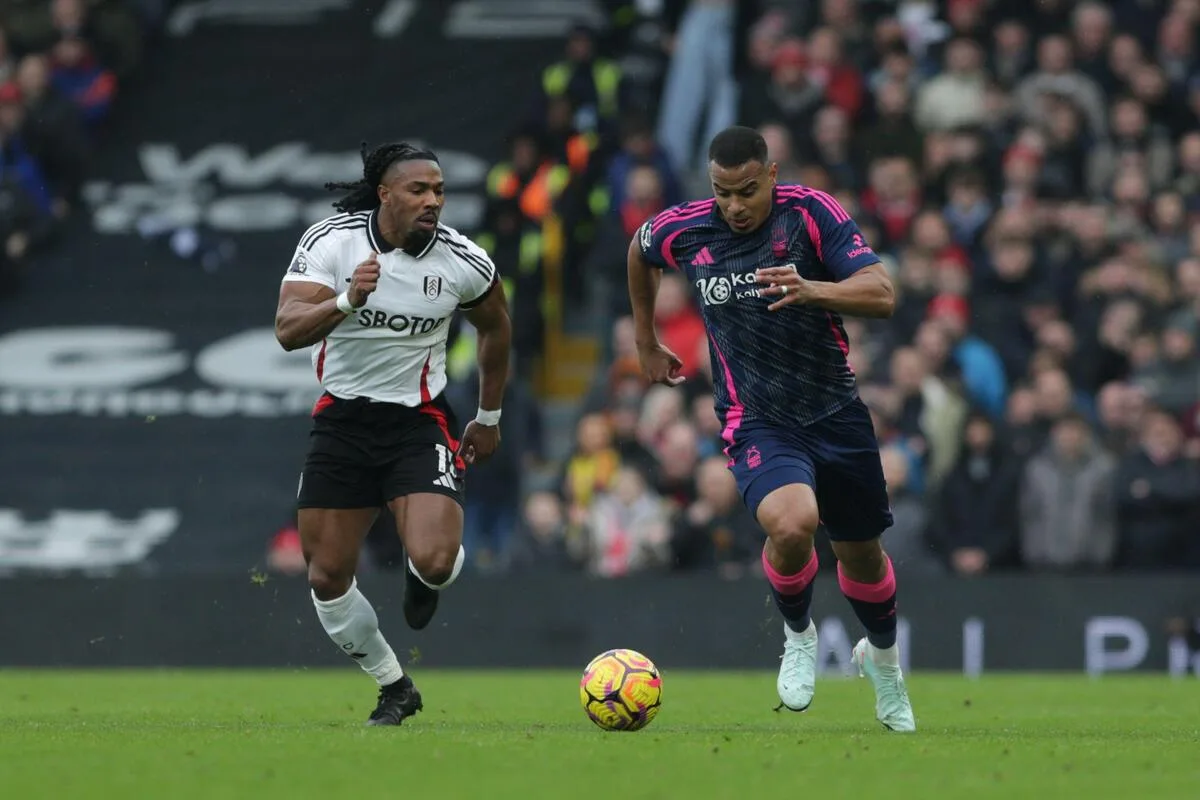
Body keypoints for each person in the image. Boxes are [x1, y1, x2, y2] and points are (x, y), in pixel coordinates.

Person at [627, 126, 916, 732]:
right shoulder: (687, 227)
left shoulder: (811, 214)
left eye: (747, 191)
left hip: (835, 412)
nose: (735, 206)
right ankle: (799, 635)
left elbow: (883, 293)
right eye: (723, 192)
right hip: (755, 418)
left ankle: (884, 665)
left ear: (772, 174)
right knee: (791, 523)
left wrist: (813, 289)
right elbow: (639, 249)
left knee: (860, 555)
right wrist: (645, 340)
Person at [274, 141, 512, 726]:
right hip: (342, 420)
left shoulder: (463, 261)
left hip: (417, 419)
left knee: (433, 559)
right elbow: (286, 329)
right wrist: (348, 298)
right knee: (327, 575)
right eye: (418, 190)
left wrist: (488, 418)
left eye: (438, 190)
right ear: (385, 194)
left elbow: (496, 328)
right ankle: (394, 684)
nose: (433, 200)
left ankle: (418, 574)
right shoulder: (332, 242)